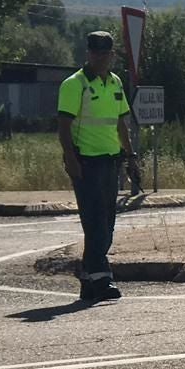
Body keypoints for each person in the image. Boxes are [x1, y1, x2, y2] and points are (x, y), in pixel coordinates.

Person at [58, 30, 142, 302]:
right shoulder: (75, 84)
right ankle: (103, 279)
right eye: (95, 53)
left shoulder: (115, 83)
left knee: (107, 221)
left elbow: (121, 124)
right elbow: (63, 126)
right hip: (86, 162)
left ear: (112, 55)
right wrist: (71, 159)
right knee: (95, 223)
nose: (100, 58)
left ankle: (88, 279)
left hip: (110, 161)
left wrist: (130, 157)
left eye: (105, 53)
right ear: (88, 54)